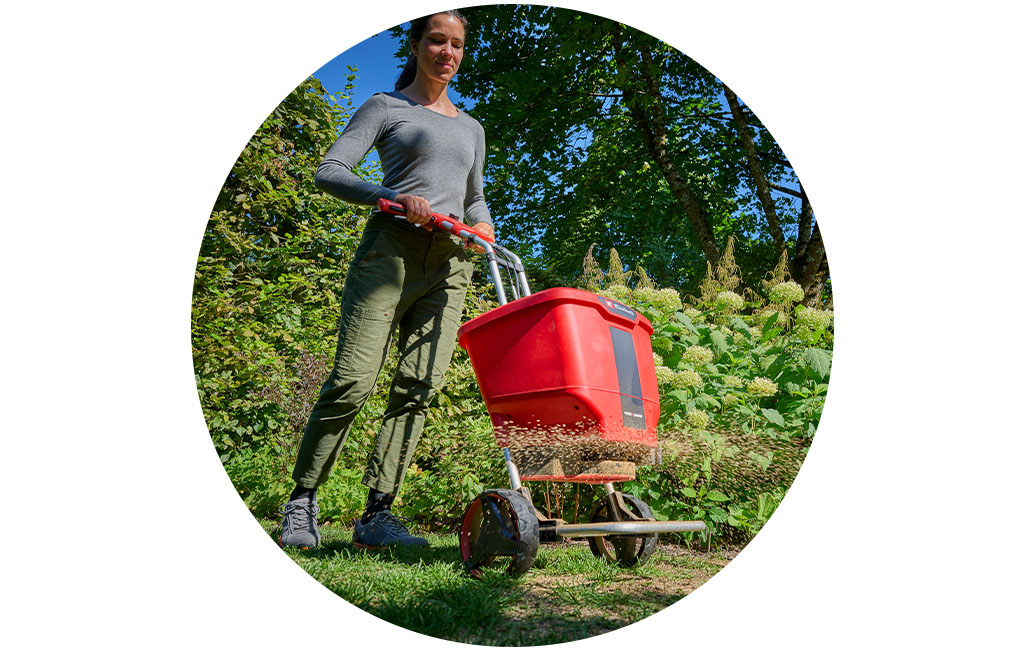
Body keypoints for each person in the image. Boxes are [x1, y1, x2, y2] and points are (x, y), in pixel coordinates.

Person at [278, 10, 495, 549]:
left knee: (419, 386)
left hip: (452, 263)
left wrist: (483, 223)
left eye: (457, 45)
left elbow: (475, 196)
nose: (448, 52)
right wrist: (390, 197)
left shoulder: (471, 127)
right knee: (353, 380)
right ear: (417, 44)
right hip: (391, 254)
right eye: (437, 41)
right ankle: (302, 501)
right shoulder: (386, 107)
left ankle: (376, 516)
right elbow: (330, 170)